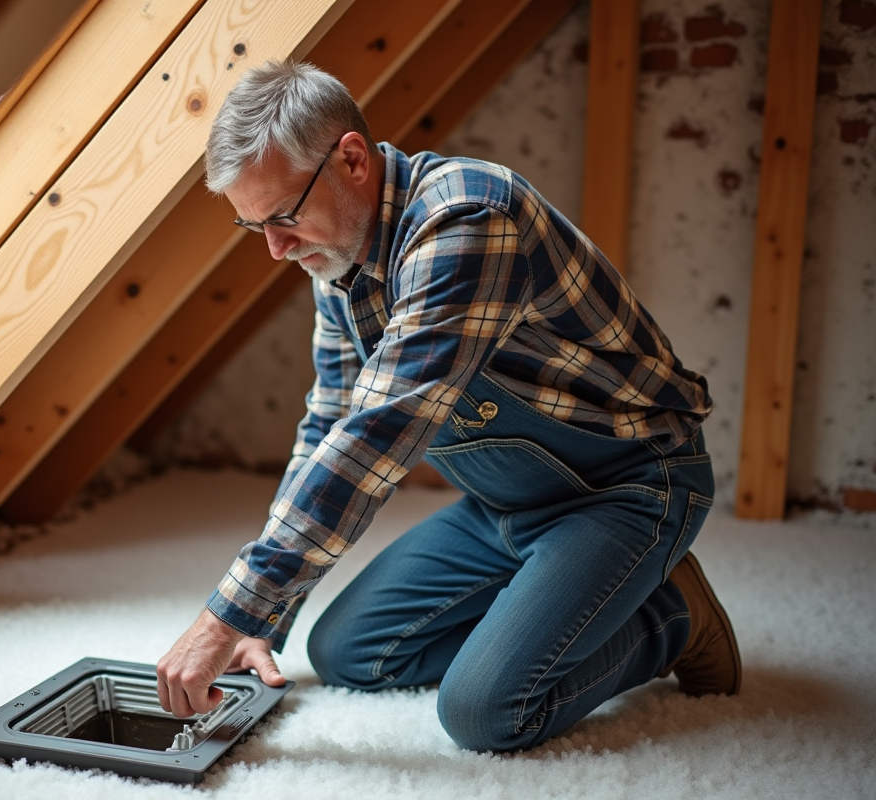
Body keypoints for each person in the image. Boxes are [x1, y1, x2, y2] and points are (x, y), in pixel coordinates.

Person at [156, 60, 741, 752]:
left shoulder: (467, 218)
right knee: (349, 654)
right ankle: (564, 600)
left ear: (350, 159)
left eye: (285, 216)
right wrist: (263, 624)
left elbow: (374, 439)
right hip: (507, 503)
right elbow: (327, 428)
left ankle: (672, 615)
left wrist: (222, 617)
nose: (278, 250)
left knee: (486, 712)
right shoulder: (337, 258)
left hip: (627, 486)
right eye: (256, 227)